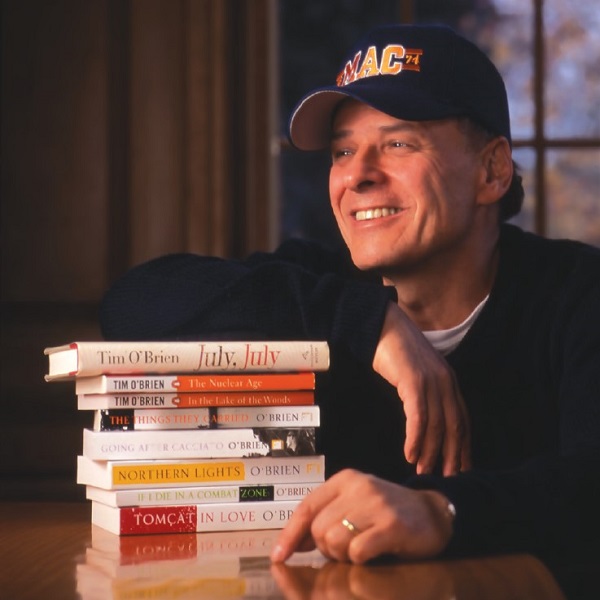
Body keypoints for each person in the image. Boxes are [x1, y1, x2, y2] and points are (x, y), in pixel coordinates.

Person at [100, 24, 600, 568]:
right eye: (342, 151)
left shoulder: (578, 293)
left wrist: (442, 511)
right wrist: (372, 325)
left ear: (492, 170)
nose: (357, 176)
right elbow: (132, 300)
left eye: (398, 144)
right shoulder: (320, 290)